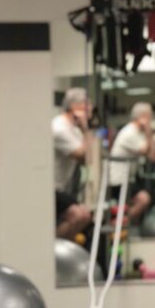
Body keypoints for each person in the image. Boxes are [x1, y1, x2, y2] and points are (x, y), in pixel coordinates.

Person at [107, 102, 155, 223]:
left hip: (128, 178)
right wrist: (148, 131)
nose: (151, 120)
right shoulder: (129, 132)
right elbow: (146, 151)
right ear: (143, 116)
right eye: (150, 117)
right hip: (118, 180)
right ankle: (119, 224)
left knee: (144, 198)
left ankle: (122, 223)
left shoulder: (138, 133)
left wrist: (148, 133)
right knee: (143, 199)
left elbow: (153, 156)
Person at [52, 87, 92, 240]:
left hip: (61, 189)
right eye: (87, 105)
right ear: (76, 107)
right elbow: (83, 155)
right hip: (49, 189)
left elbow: (86, 161)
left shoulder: (73, 130)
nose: (91, 110)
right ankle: (51, 248)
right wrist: (86, 129)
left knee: (85, 216)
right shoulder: (59, 128)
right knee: (80, 215)